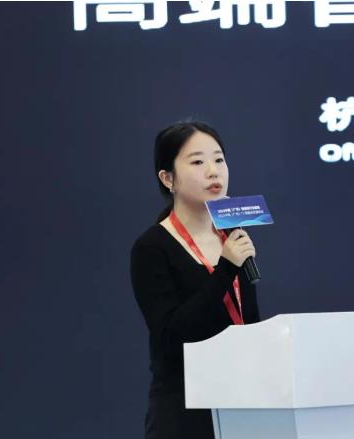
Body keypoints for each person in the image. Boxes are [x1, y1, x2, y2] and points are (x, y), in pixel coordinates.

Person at [130, 120, 261, 439]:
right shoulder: (152, 247)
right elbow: (171, 335)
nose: (213, 171)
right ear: (167, 178)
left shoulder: (232, 234)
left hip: (243, 403)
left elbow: (249, 321)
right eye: (198, 162)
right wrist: (225, 269)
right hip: (185, 412)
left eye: (219, 159)